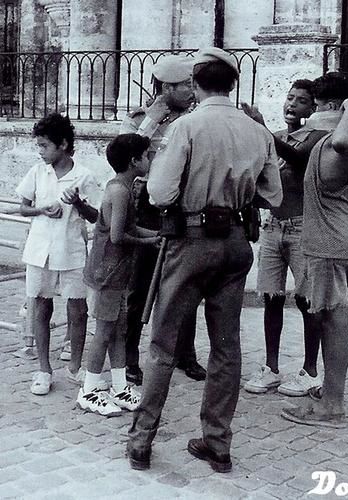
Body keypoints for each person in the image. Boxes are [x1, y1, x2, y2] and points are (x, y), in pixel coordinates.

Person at [126, 47, 282, 472]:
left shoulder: (188, 127)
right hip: (236, 243)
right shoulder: (257, 131)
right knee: (226, 348)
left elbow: (159, 193)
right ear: (232, 85)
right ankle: (218, 443)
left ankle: (141, 441)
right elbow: (273, 196)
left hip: (191, 240)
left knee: (162, 344)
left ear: (195, 85)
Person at [281, 72, 348, 428]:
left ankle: (333, 405)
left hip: (331, 242)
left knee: (333, 320)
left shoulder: (345, 138)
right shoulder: (331, 138)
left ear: (333, 106)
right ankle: (330, 392)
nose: (312, 112)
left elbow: (345, 143)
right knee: (329, 318)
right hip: (328, 240)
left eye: (317, 105)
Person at [120, 55, 206, 384]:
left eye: (193, 84)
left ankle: (186, 354)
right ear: (166, 87)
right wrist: (150, 123)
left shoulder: (197, 119)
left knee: (185, 286)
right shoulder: (140, 119)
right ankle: (130, 355)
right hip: (148, 209)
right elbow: (125, 156)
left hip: (184, 207)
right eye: (186, 85)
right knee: (139, 287)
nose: (192, 91)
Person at [242, 80, 327, 396]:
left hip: (302, 226)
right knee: (271, 297)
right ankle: (272, 367)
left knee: (307, 300)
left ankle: (310, 370)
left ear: (313, 108)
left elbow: (297, 160)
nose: (292, 104)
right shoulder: (275, 136)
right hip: (273, 227)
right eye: (289, 98)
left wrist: (261, 129)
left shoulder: (316, 138)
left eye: (301, 100)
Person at [16, 113, 102, 395]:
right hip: (40, 250)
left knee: (78, 310)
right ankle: (43, 369)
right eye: (38, 146)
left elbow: (96, 217)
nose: (40, 152)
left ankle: (75, 367)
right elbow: (24, 207)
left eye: (44, 146)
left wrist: (77, 202)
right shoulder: (37, 172)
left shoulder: (85, 175)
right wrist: (41, 209)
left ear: (62, 144)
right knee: (41, 307)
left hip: (72, 250)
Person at [77, 134, 160, 416]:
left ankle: (119, 385)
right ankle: (88, 390)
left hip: (116, 273)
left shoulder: (122, 186)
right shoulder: (121, 192)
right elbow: (117, 236)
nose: (150, 159)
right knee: (103, 333)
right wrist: (149, 242)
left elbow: (130, 227)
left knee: (119, 331)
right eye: (147, 155)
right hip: (107, 274)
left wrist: (157, 235)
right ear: (134, 161)